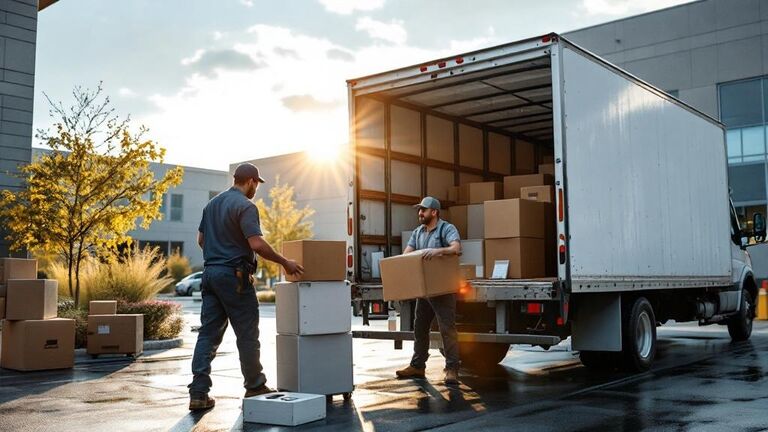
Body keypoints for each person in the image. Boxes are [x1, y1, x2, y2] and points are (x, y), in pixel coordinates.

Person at [188, 163, 304, 411]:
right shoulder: (245, 206)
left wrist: (217, 256)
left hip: (209, 274)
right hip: (235, 276)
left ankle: (198, 393)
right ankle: (254, 385)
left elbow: (200, 240)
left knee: (207, 335)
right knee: (247, 333)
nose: (256, 190)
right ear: (251, 181)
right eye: (256, 185)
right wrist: (285, 262)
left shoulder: (212, 205)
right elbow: (257, 243)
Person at [395, 196, 462, 385]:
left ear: (434, 212)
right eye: (419, 210)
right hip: (424, 289)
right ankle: (417, 366)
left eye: (423, 210)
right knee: (420, 328)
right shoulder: (418, 232)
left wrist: (438, 251)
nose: (420, 213)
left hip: (442, 289)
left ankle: (452, 369)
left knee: (447, 329)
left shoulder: (446, 229)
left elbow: (456, 247)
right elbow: (407, 254)